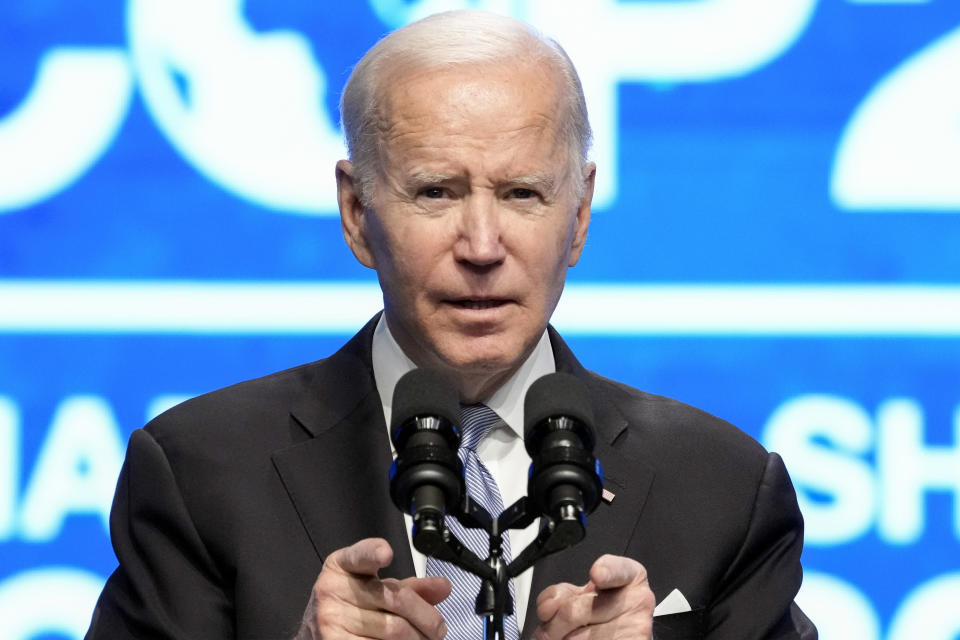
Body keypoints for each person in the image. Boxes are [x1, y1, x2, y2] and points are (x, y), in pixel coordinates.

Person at [86, 10, 816, 640]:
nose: (482, 246)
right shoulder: (200, 474)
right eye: (435, 191)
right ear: (355, 212)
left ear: (580, 215)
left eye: (522, 193)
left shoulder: (723, 489)